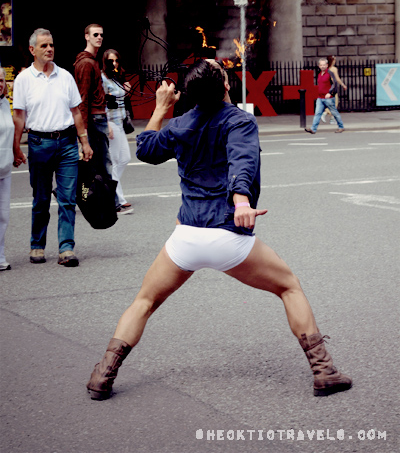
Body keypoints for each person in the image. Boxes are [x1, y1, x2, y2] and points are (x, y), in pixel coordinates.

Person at [86, 58, 352, 400]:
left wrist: (160, 109)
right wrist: (241, 201)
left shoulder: (180, 122)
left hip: (187, 236)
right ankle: (324, 371)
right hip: (228, 234)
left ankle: (102, 375)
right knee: (289, 287)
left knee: (145, 301)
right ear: (226, 86)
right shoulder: (240, 121)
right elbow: (243, 160)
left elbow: (148, 150)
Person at [13, 28, 93, 267]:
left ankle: (66, 248)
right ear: (32, 50)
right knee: (40, 199)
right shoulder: (23, 80)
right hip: (39, 144)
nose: (49, 49)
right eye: (44, 46)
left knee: (68, 199)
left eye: (51, 45)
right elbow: (19, 117)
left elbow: (76, 112)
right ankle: (37, 245)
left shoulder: (65, 76)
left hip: (67, 143)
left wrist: (84, 142)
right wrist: (16, 147)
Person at [74, 24, 114, 184]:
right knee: (103, 163)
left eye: (101, 35)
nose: (99, 37)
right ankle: (112, 204)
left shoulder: (92, 61)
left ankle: (105, 202)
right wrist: (82, 129)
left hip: (97, 117)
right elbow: (83, 98)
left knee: (97, 163)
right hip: (95, 118)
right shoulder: (86, 63)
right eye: (95, 34)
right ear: (87, 36)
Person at [101, 49, 133, 215]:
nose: (114, 64)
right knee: (114, 160)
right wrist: (106, 125)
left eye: (116, 61)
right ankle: (118, 199)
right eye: (110, 61)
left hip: (120, 122)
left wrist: (126, 90)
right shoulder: (103, 79)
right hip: (111, 122)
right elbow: (101, 103)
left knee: (125, 158)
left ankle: (109, 190)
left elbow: (119, 101)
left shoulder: (116, 78)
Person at [305, 58, 345, 134]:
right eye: (321, 65)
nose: (322, 66)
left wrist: (330, 93)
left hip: (329, 98)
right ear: (319, 66)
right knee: (317, 113)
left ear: (327, 65)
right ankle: (313, 129)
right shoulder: (319, 74)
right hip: (320, 98)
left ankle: (341, 127)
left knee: (334, 113)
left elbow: (334, 84)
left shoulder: (330, 73)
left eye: (324, 65)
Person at [0, 67, 14, 271]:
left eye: (1, 80)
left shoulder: (4, 103)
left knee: (3, 215)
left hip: (5, 167)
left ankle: (0, 255)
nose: (0, 83)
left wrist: (16, 152)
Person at [321, 55, 347, 124]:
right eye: (334, 60)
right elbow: (337, 79)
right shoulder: (334, 69)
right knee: (335, 103)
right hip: (332, 88)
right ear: (332, 61)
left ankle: (332, 119)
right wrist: (343, 85)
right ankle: (325, 113)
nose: (335, 61)